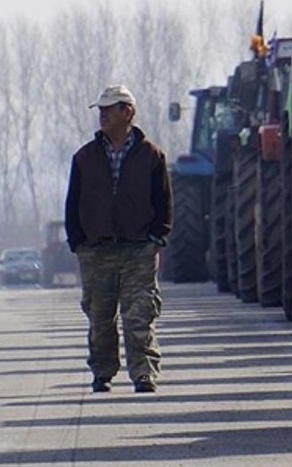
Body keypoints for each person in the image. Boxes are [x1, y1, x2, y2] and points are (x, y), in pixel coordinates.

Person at [65, 84, 172, 393]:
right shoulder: (84, 157)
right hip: (96, 250)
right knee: (99, 316)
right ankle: (102, 371)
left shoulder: (151, 156)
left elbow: (164, 201)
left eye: (109, 109)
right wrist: (78, 242)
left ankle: (143, 373)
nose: (103, 116)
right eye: (100, 110)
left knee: (140, 314)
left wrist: (157, 237)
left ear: (128, 112)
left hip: (138, 249)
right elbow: (73, 202)